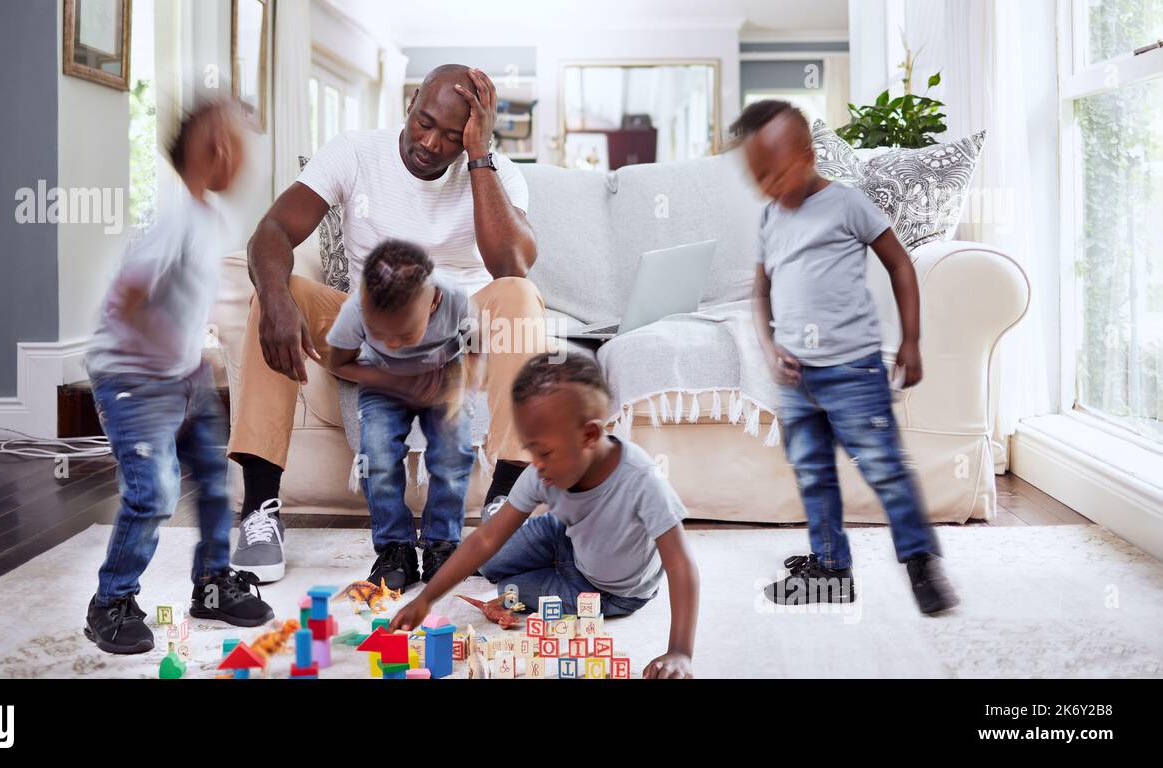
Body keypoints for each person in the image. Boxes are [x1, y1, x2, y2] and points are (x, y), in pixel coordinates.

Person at [227, 64, 549, 583]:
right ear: (410, 102)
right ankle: (260, 511)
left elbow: (511, 266)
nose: (429, 143)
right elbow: (272, 230)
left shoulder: (497, 172)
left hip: (458, 330)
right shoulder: (355, 152)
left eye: (450, 136)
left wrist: (479, 158)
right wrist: (275, 297)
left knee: (520, 295)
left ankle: (504, 504)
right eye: (424, 121)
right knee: (274, 294)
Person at [731, 99, 958, 615]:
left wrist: (912, 340)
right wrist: (769, 349)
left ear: (809, 155)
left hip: (854, 370)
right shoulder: (770, 217)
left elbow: (900, 265)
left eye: (775, 169)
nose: (766, 184)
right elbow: (761, 292)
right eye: (756, 175)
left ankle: (923, 565)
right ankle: (832, 570)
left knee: (884, 468)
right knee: (812, 472)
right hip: (796, 380)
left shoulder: (848, 204)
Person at [83, 99, 274, 655]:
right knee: (155, 492)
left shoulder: (206, 218)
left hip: (181, 377)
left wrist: (192, 359)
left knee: (215, 482)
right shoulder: (172, 218)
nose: (245, 163)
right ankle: (110, 601)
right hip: (133, 379)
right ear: (213, 149)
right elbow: (127, 298)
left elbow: (182, 301)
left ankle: (212, 583)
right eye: (240, 147)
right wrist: (168, 355)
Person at [390, 353, 700, 679]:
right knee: (489, 561)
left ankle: (539, 571)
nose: (535, 463)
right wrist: (426, 600)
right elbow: (486, 538)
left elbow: (681, 563)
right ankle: (532, 545)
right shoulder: (545, 470)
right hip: (564, 537)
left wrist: (680, 650)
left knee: (509, 592)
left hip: (612, 591)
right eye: (530, 451)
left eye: (544, 452)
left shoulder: (642, 479)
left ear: (589, 436)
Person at [326, 239, 476, 588]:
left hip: (441, 378)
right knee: (376, 457)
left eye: (405, 333)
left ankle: (443, 544)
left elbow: (475, 351)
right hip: (381, 383)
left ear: (434, 300)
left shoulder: (455, 298)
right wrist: (392, 378)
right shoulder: (355, 309)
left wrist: (458, 389)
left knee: (453, 453)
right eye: (381, 334)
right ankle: (396, 548)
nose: (393, 344)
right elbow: (339, 363)